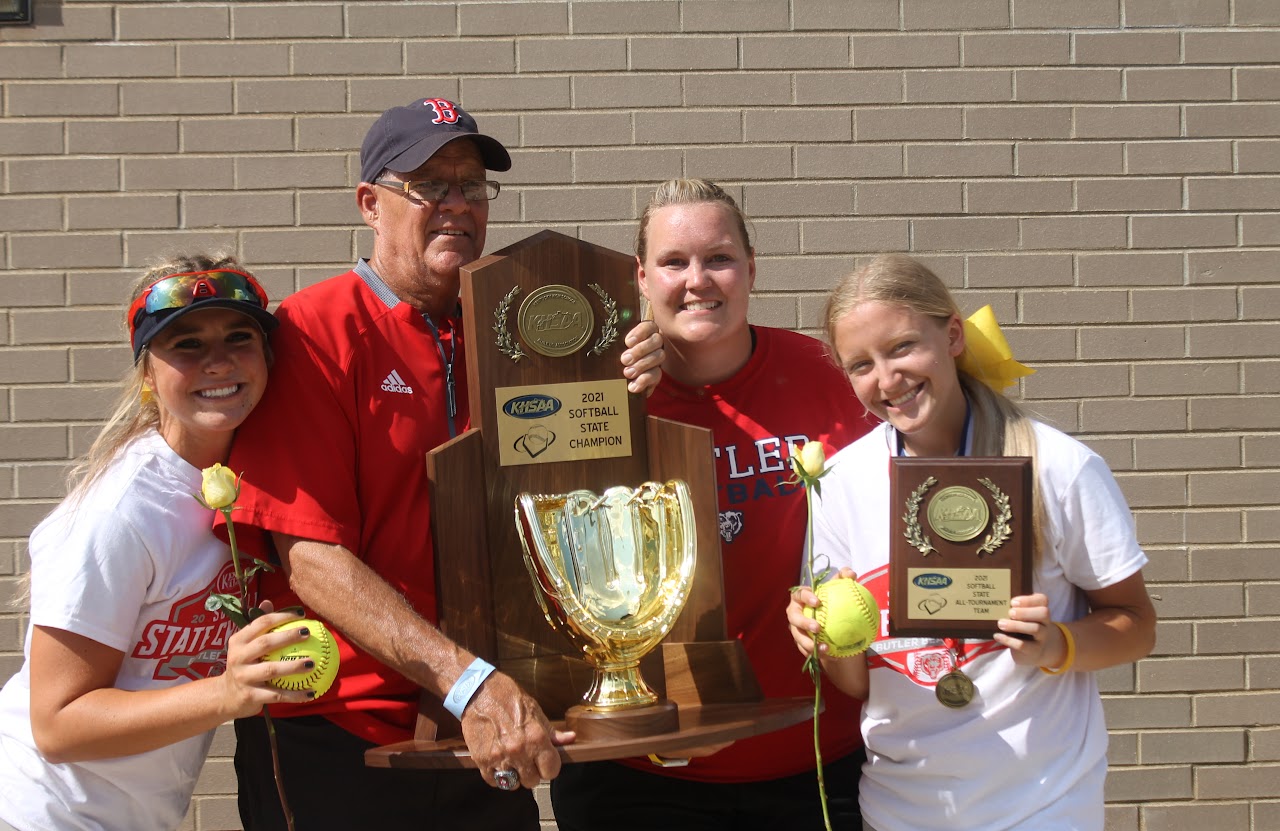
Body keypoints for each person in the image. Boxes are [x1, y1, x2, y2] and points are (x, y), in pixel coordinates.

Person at [223, 97, 665, 830]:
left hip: (488, 726)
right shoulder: (311, 331)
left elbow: (585, 484)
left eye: (472, 185)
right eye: (431, 185)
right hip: (347, 734)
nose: (458, 205)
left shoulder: (511, 321)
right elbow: (308, 558)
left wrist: (642, 375)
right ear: (371, 203)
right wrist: (470, 682)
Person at [788, 254, 1157, 831]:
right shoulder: (839, 483)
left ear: (953, 334)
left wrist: (1055, 643)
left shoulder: (1057, 466)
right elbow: (857, 684)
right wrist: (828, 642)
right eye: (861, 364)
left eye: (903, 346)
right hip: (898, 808)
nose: (887, 379)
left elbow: (1135, 623)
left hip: (1042, 805)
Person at [550, 179, 873, 830]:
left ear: (751, 269)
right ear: (641, 277)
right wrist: (608, 408)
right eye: (674, 262)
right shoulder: (594, 397)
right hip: (638, 776)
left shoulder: (831, 377)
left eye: (718, 258)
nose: (697, 280)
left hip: (814, 764)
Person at [0, 254, 317, 831]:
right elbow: (57, 724)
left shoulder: (244, 487)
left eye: (238, 337)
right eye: (186, 344)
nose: (218, 361)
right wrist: (229, 691)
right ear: (148, 374)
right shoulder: (121, 510)